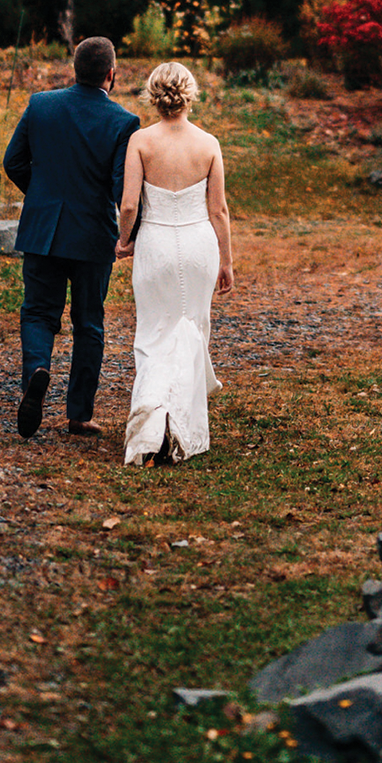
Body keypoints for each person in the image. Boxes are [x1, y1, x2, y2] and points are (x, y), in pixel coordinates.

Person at [2, 36, 141, 440]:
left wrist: (43, 197)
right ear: (110, 75)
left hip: (42, 232)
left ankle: (37, 371)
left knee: (38, 312)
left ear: (74, 70)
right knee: (89, 324)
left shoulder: (40, 105)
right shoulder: (123, 122)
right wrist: (132, 231)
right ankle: (79, 415)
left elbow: (13, 162)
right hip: (91, 237)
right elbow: (120, 188)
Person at [113, 62, 233, 466]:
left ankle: (152, 429)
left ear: (153, 94)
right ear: (189, 93)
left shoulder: (140, 141)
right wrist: (227, 261)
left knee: (154, 334)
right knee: (192, 330)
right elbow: (219, 211)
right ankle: (180, 426)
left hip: (157, 246)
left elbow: (129, 203)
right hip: (200, 246)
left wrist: (124, 240)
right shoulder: (209, 143)